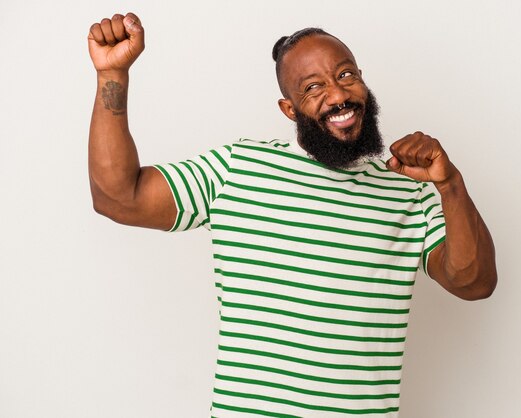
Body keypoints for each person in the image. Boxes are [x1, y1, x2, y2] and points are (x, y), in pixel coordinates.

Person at [88, 12, 497, 418]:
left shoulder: (409, 188)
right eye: (313, 87)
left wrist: (450, 184)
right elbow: (120, 198)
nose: (338, 96)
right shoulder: (239, 168)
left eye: (346, 75)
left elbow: (474, 283)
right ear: (289, 109)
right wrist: (113, 76)